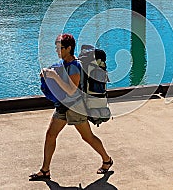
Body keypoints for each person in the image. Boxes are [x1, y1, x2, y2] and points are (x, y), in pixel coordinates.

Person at [29, 33, 113, 181]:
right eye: (56, 47)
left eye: (60, 48)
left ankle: (107, 160)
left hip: (75, 108)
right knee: (50, 135)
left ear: (69, 48)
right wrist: (47, 75)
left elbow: (71, 90)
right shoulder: (64, 64)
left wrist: (54, 76)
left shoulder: (74, 66)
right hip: (62, 106)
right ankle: (45, 170)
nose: (57, 51)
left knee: (87, 137)